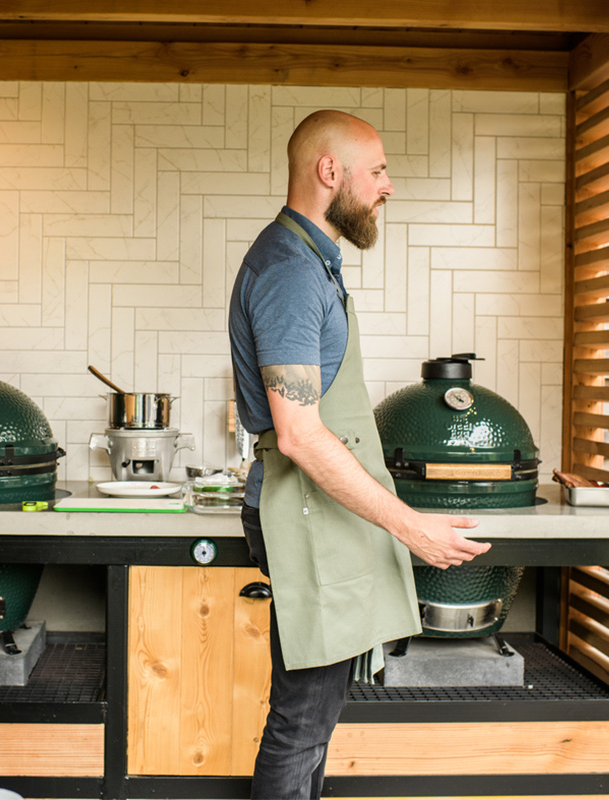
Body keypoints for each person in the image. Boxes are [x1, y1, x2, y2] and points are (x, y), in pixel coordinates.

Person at [228, 109, 492, 800]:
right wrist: (410, 526)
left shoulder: (311, 261)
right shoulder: (289, 271)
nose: (388, 186)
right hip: (304, 513)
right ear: (329, 171)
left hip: (320, 510)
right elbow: (299, 433)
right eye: (376, 171)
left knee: (313, 718)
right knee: (302, 721)